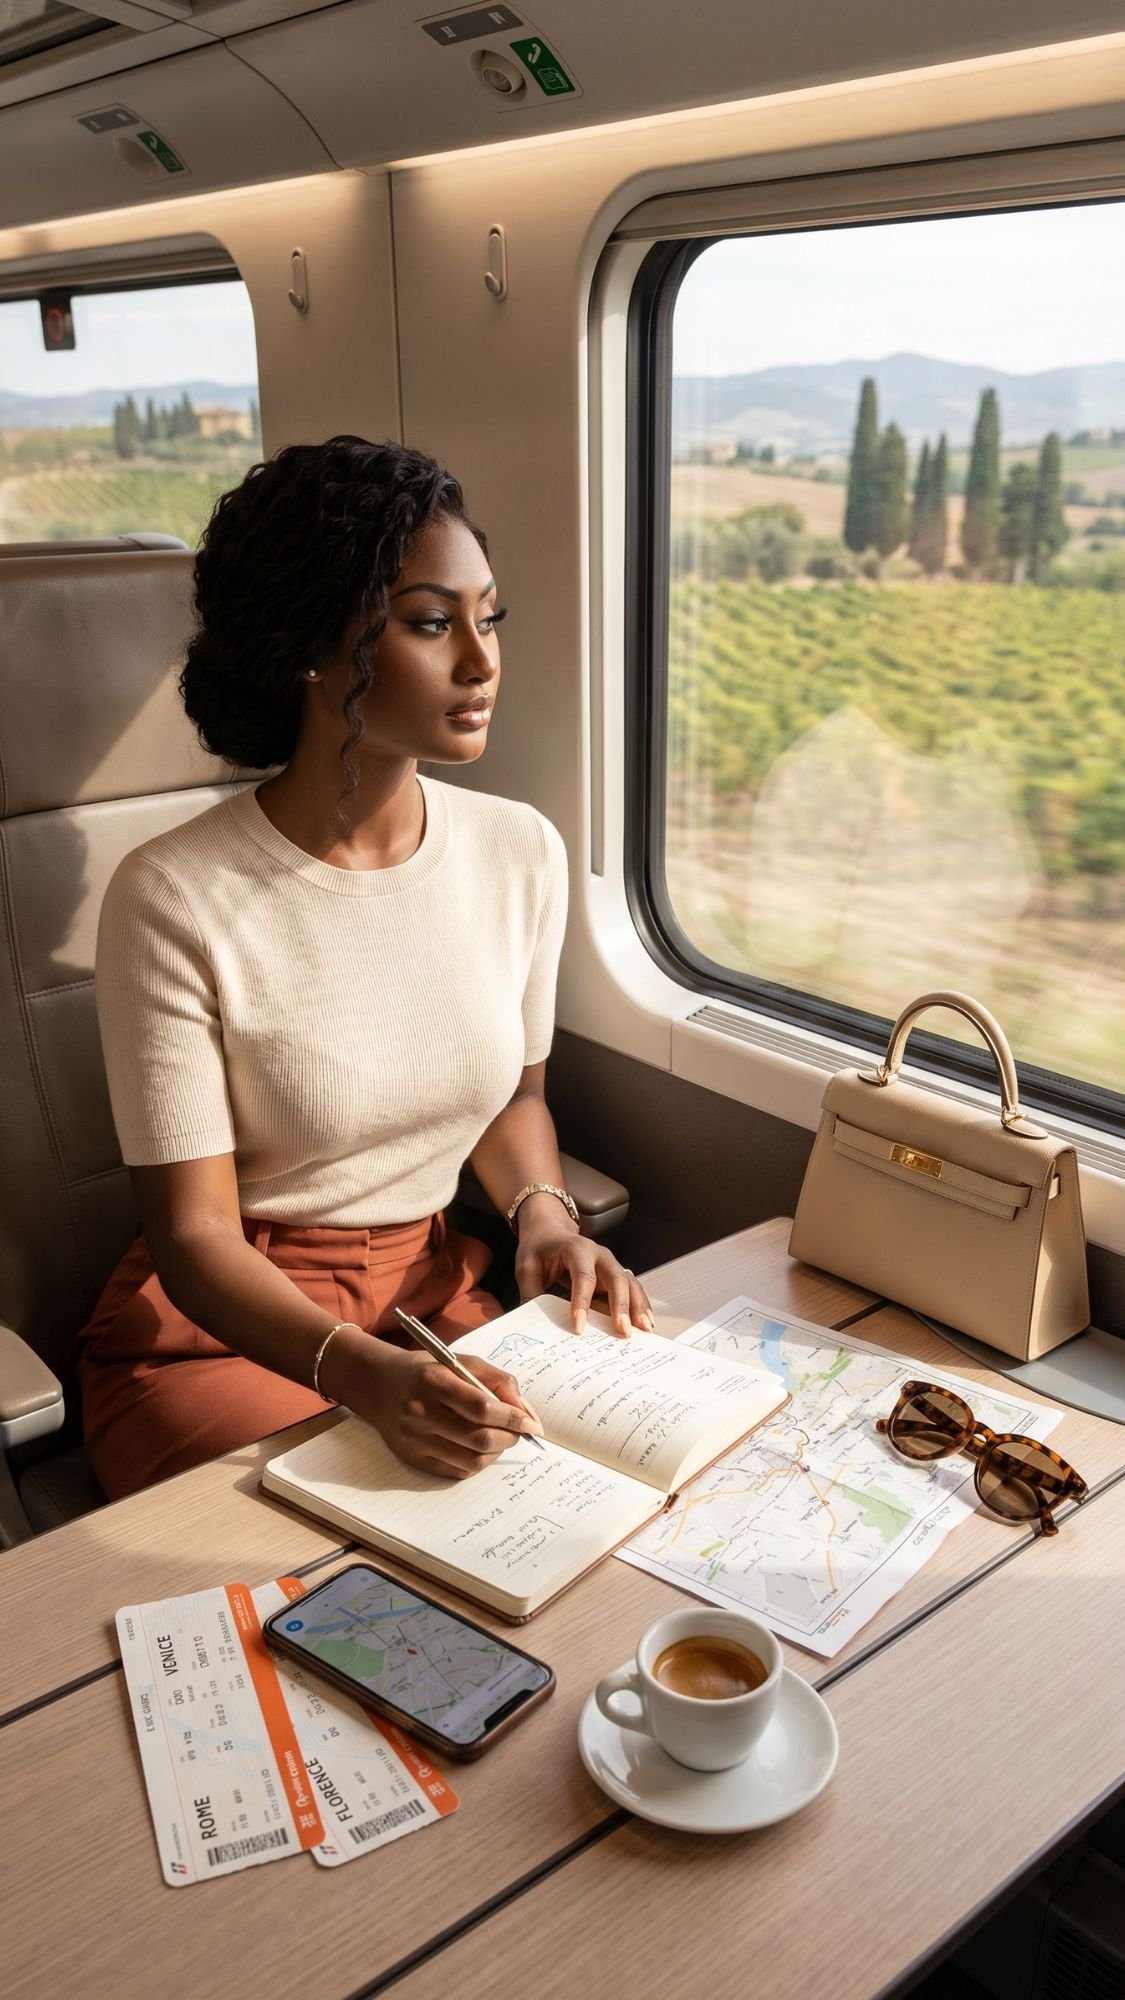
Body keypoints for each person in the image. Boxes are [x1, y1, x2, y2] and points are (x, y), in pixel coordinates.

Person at [77, 435, 651, 1500]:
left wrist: (544, 1214)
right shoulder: (172, 897)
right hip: (224, 1329)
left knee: (584, 1494)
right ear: (311, 644)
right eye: (434, 624)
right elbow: (193, 1237)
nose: (482, 661)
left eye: (491, 618)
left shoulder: (520, 850)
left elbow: (512, 1098)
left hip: (424, 1297)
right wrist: (364, 1377)